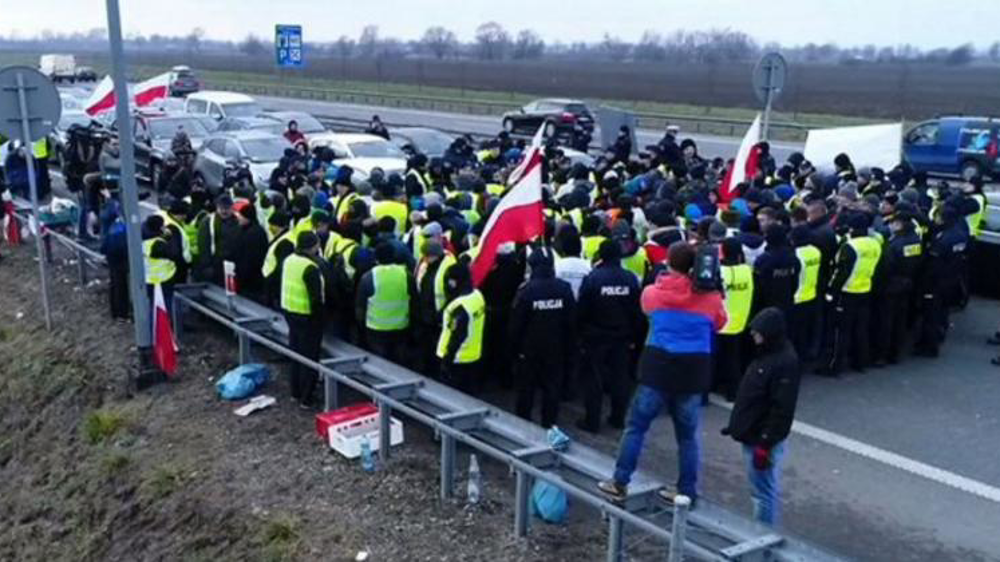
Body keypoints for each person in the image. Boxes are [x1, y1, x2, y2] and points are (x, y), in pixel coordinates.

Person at [598, 242, 726, 506]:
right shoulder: (711, 298)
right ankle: (686, 491)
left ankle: (620, 482)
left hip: (657, 368)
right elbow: (720, 322)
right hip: (693, 371)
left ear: (669, 263)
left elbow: (646, 311)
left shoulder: (652, 293)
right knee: (688, 437)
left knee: (636, 427)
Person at [722, 307, 801, 526]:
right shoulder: (771, 355)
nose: (754, 337)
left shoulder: (783, 362)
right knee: (760, 490)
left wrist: (765, 443)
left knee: (762, 493)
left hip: (760, 439)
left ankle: (762, 539)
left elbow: (781, 409)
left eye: (757, 333)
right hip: (754, 434)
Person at [576, 240, 644, 433]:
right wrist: (634, 338)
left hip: (596, 337)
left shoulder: (593, 278)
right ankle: (617, 417)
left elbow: (583, 309)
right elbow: (636, 312)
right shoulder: (630, 279)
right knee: (620, 378)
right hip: (622, 337)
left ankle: (592, 420)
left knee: (594, 379)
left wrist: (581, 333)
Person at [509, 248, 576, 428]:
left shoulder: (526, 290)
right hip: (556, 348)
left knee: (526, 389)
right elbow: (571, 321)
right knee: (552, 388)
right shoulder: (564, 288)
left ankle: (523, 424)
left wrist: (513, 350)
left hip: (529, 350)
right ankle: (549, 424)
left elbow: (516, 324)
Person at [819, 214, 882, 376]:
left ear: (852, 228)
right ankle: (860, 362)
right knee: (860, 328)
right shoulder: (875, 244)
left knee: (841, 331)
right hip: (865, 288)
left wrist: (830, 292)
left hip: (846, 292)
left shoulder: (850, 246)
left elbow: (840, 272)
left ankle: (834, 365)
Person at [279, 231, 326, 408]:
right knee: (310, 357)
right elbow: (317, 299)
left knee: (296, 353)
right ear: (314, 246)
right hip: (307, 317)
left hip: (290, 312)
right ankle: (307, 397)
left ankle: (295, 391)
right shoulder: (311, 268)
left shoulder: (289, 260)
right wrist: (321, 320)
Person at [873, 210, 923, 365]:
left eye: (893, 223)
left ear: (900, 224)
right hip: (907, 283)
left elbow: (886, 267)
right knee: (900, 320)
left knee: (886, 322)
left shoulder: (895, 244)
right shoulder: (915, 240)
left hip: (891, 285)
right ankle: (895, 353)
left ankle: (882, 354)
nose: (891, 225)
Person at [356, 242, 418, 366]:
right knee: (400, 364)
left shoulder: (368, 277)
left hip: (376, 329)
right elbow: (415, 302)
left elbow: (360, 308)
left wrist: (361, 327)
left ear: (376, 258)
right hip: (401, 326)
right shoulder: (406, 275)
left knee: (381, 365)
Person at [436, 262, 486, 394]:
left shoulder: (459, 306)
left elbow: (457, 336)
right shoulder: (477, 295)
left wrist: (447, 361)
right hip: (474, 354)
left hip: (457, 358)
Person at [716, 238, 754, 401]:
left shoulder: (721, 272)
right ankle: (733, 389)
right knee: (734, 358)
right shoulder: (746, 270)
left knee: (724, 358)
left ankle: (727, 389)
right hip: (742, 318)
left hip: (722, 320)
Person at [752, 223, 800, 319]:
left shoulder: (762, 260)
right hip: (787, 305)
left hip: (765, 307)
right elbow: (795, 283)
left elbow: (757, 287)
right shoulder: (793, 258)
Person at [789, 225, 822, 362]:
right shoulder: (815, 251)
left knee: (796, 333)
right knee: (806, 331)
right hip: (811, 293)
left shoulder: (796, 254)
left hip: (798, 297)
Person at [195, 194, 241, 285]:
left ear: (232, 208)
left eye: (227, 208)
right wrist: (206, 265)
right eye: (221, 208)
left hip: (233, 263)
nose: (224, 211)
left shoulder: (238, 221)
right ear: (217, 207)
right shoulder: (208, 221)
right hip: (215, 263)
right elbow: (203, 244)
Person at [233, 202, 269, 301]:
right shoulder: (245, 230)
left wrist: (240, 275)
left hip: (250, 281)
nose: (238, 217)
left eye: (241, 215)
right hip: (245, 278)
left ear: (248, 217)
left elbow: (250, 260)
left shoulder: (254, 234)